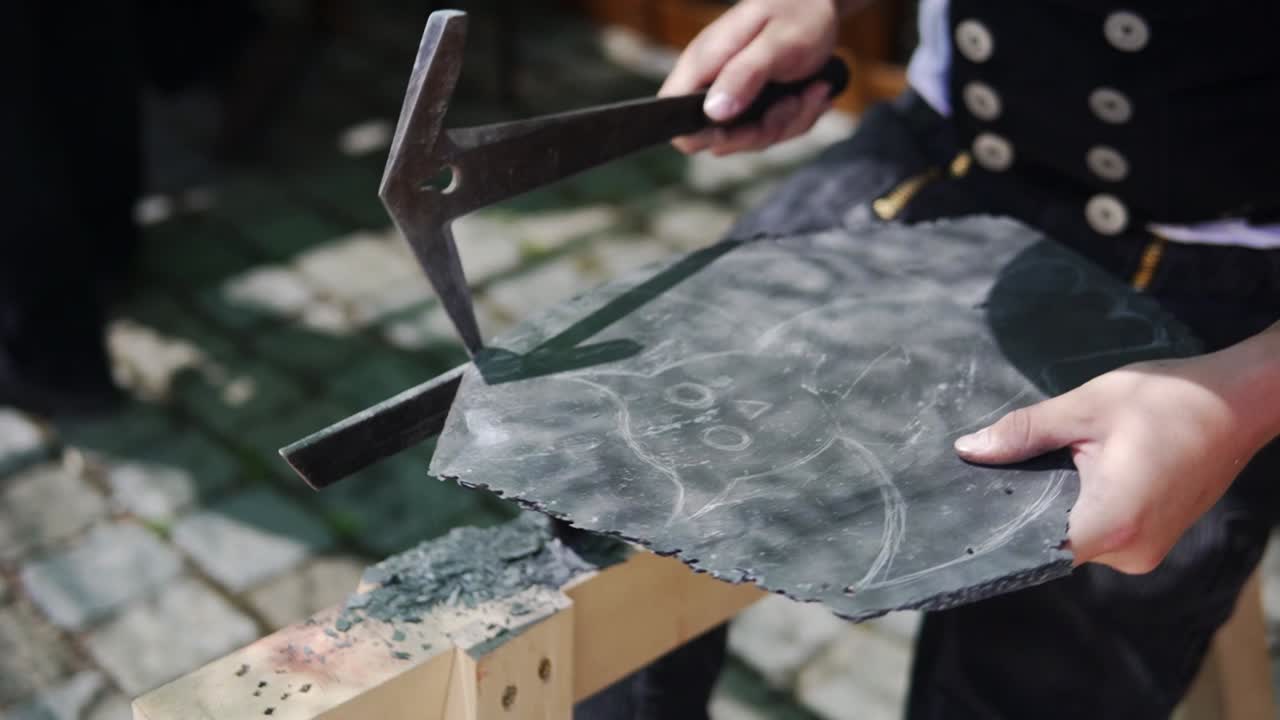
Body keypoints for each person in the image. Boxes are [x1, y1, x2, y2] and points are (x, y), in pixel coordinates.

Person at [638, 0, 1280, 717]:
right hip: (938, 162)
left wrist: (1248, 393)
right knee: (613, 465)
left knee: (1027, 679)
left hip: (1225, 280)